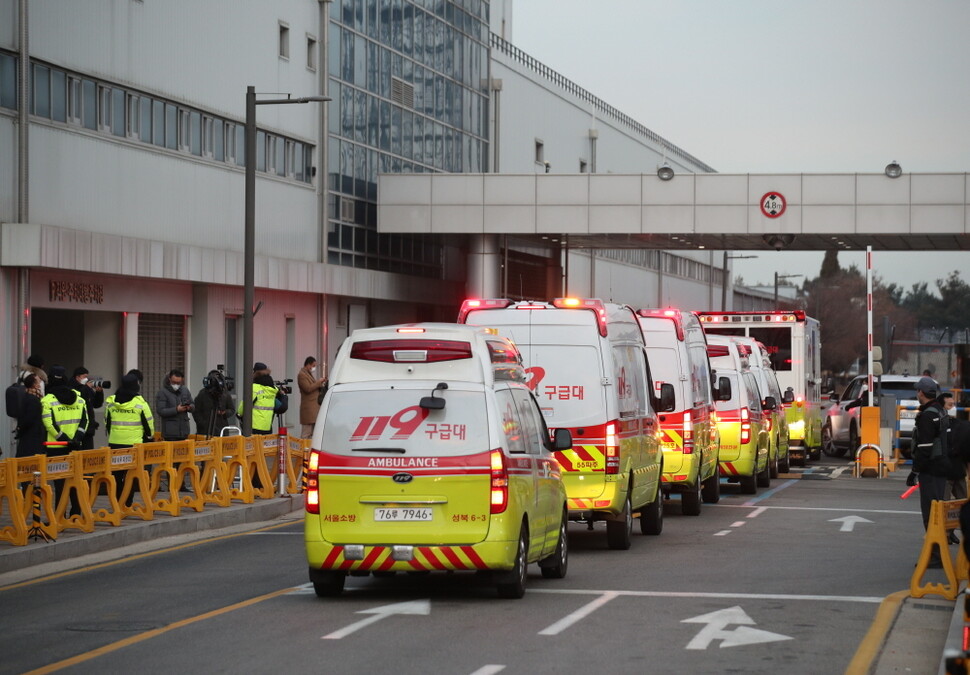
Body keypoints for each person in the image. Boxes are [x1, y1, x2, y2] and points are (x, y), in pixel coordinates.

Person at [910, 376, 963, 566]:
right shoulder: (940, 411)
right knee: (938, 512)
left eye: (918, 391)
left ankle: (935, 556)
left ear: (921, 393)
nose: (917, 393)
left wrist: (915, 471)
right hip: (942, 467)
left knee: (931, 514)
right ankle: (938, 553)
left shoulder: (926, 415)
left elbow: (924, 447)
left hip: (930, 470)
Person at [40, 366, 89, 515]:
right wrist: (76, 439)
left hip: (55, 446)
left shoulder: (47, 400)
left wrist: (63, 439)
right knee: (75, 479)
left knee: (59, 482)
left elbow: (49, 423)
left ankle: (59, 516)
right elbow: (85, 421)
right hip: (75, 445)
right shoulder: (79, 398)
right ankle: (76, 514)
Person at [105, 373, 154, 505]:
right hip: (134, 445)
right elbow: (149, 424)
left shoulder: (111, 401)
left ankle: (116, 502)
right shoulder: (140, 403)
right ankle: (127, 503)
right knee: (131, 475)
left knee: (116, 475)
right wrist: (149, 437)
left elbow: (107, 422)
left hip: (114, 443)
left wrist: (113, 435)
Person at [193, 369, 236, 438]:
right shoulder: (202, 394)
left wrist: (224, 412)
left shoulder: (225, 394)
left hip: (221, 429)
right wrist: (202, 423)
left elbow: (232, 409)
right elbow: (196, 411)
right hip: (205, 430)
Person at [155, 369, 194, 442]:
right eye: (174, 382)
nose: (176, 385)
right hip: (170, 434)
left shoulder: (185, 390)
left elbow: (193, 405)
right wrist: (176, 409)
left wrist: (189, 407)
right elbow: (160, 411)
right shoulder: (162, 392)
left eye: (178, 383)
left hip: (184, 432)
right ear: (169, 379)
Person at [72, 367, 105, 450]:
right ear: (77, 377)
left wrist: (99, 392)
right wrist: (86, 387)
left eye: (87, 377)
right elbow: (79, 397)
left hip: (89, 426)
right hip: (77, 426)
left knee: (88, 451)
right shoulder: (72, 388)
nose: (86, 379)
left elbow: (96, 404)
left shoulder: (87, 389)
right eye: (84, 377)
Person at [15, 373, 45, 458]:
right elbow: (30, 418)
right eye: (38, 382)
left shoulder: (29, 396)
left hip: (31, 434)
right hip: (32, 436)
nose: (40, 384)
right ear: (34, 385)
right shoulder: (33, 399)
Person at [298, 356, 327, 439]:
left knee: (313, 434)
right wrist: (319, 382)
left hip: (313, 409)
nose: (314, 368)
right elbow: (308, 388)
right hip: (308, 409)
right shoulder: (302, 375)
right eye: (313, 366)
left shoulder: (308, 374)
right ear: (308, 364)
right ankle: (304, 450)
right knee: (306, 434)